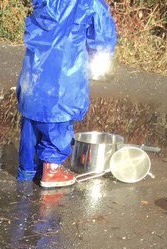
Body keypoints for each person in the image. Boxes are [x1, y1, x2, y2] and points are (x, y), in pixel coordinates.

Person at [16, 0, 117, 188]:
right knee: (58, 117)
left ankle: (27, 170)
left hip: (33, 71)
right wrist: (101, 62)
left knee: (31, 121)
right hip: (65, 70)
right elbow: (102, 36)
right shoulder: (90, 2)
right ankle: (52, 170)